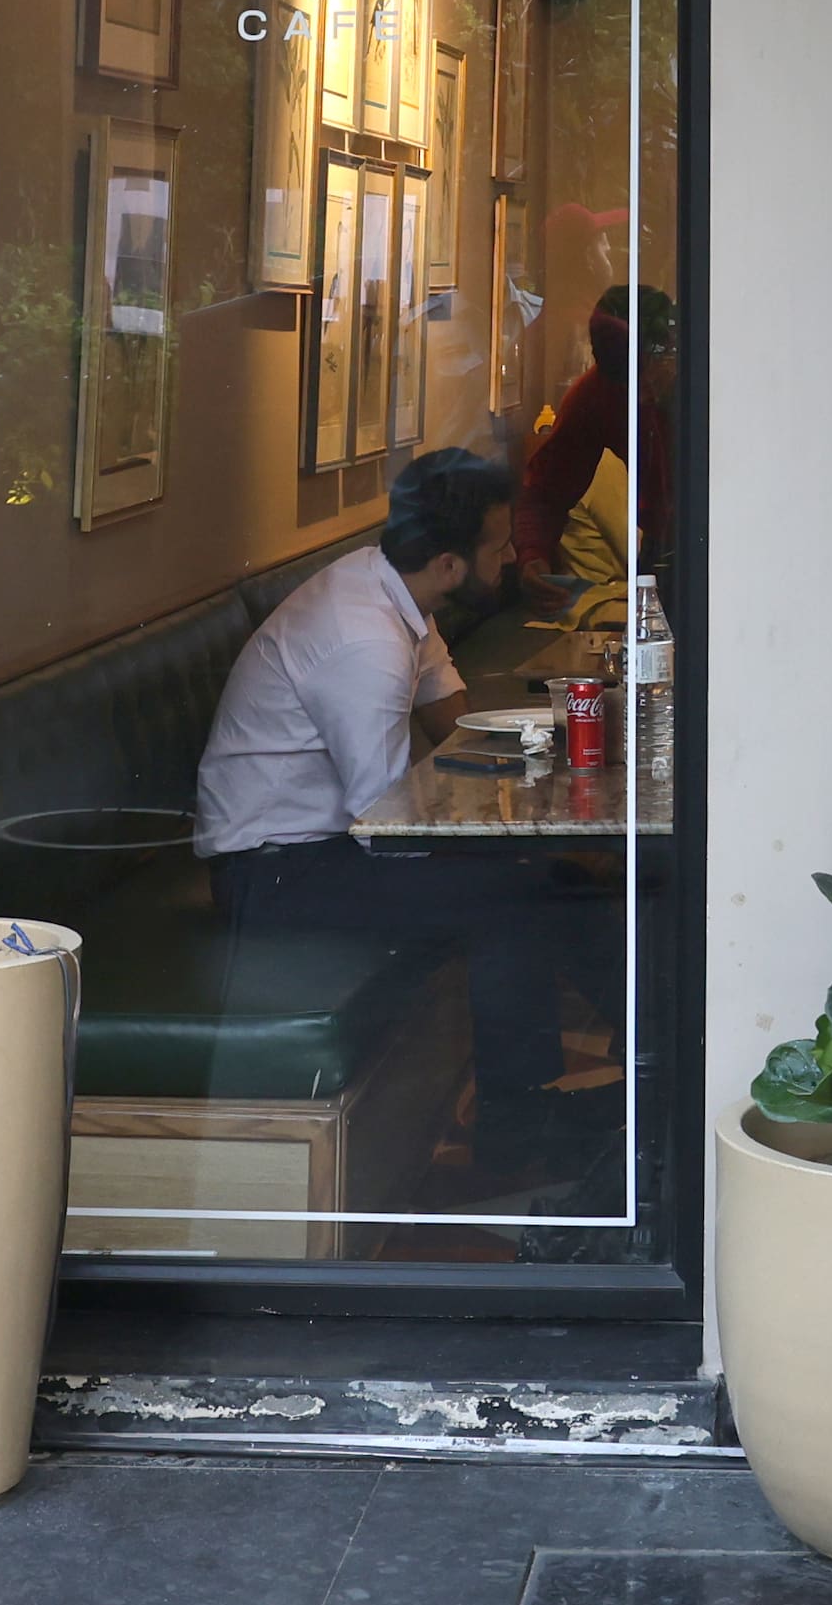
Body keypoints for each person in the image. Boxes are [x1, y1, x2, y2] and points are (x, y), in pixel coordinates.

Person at [194, 451, 598, 1190]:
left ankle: (636, 1073)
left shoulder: (396, 592)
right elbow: (388, 824)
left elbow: (452, 717)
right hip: (274, 870)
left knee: (555, 878)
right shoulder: (365, 639)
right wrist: (510, 834)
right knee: (513, 901)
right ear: (449, 563)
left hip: (325, 847)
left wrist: (535, 789)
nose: (512, 557)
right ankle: (518, 1129)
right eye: (499, 547)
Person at [514, 282, 676, 573]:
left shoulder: (713, 383)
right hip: (663, 543)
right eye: (628, 385)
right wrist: (533, 555)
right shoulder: (596, 393)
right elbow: (545, 494)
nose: (642, 396)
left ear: (671, 347)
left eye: (648, 376)